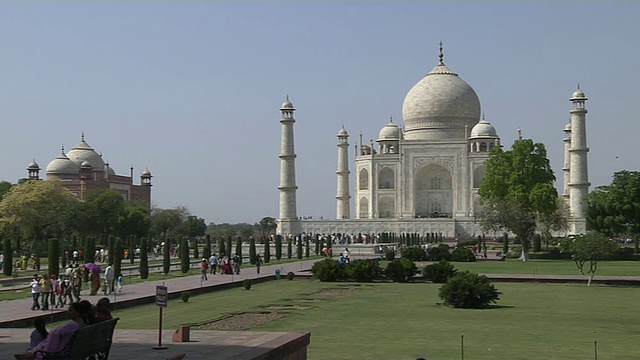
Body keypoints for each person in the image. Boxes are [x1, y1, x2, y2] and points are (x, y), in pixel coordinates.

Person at [14, 301, 94, 360]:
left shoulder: (72, 325)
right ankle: (31, 353)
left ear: (78, 313)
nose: (68, 312)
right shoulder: (83, 325)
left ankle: (31, 354)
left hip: (61, 354)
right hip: (73, 351)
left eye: (71, 310)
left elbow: (54, 335)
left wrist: (46, 354)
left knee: (39, 336)